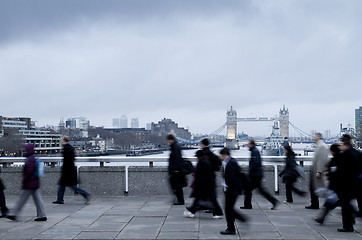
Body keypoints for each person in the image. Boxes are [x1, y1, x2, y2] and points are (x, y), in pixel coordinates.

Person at [7, 144, 47, 221]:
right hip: (34, 182)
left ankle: (13, 214)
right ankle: (42, 215)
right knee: (38, 200)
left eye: (25, 150)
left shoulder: (30, 159)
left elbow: (29, 171)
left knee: (22, 199)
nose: (24, 151)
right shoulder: (32, 158)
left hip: (29, 183)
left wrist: (24, 179)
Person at [241, 139, 279, 210]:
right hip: (256, 174)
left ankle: (248, 205)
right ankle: (248, 204)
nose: (247, 146)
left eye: (248, 144)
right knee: (256, 190)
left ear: (252, 144)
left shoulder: (254, 152)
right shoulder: (254, 151)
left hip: (255, 175)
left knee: (249, 189)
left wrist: (250, 170)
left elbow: (255, 163)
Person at [53, 136, 90, 204]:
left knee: (71, 186)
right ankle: (60, 199)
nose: (60, 141)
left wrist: (65, 169)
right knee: (62, 185)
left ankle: (85, 193)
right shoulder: (69, 147)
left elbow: (68, 160)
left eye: (61, 140)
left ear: (64, 140)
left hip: (67, 171)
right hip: (69, 170)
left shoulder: (66, 148)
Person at [219, 148, 247, 235]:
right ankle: (240, 219)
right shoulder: (231, 161)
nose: (220, 157)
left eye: (221, 156)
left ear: (224, 155)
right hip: (232, 189)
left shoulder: (231, 163)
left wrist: (229, 189)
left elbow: (232, 178)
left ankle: (231, 229)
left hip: (232, 190)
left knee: (228, 209)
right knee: (229, 208)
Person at [335, 134, 360, 232]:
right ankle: (351, 221)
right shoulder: (356, 153)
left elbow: (344, 171)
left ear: (345, 144)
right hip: (354, 184)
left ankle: (348, 225)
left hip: (347, 185)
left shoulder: (346, 155)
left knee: (345, 205)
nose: (339, 146)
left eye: (340, 144)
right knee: (347, 204)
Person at [184, 150, 218, 218]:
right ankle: (192, 210)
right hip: (207, 184)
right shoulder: (206, 161)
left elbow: (202, 174)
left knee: (208, 199)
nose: (196, 158)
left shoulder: (203, 162)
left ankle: (192, 211)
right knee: (207, 199)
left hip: (205, 184)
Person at [314, 144, 341, 224]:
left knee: (330, 203)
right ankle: (321, 218)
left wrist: (328, 172)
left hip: (336, 186)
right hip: (337, 187)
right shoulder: (340, 158)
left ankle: (321, 218)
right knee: (331, 203)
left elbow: (334, 171)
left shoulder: (336, 159)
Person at [305, 133, 330, 209]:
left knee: (318, 188)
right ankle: (314, 203)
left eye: (315, 136)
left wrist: (319, 171)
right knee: (313, 188)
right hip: (315, 170)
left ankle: (327, 203)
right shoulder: (319, 146)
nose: (313, 137)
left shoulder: (322, 146)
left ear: (319, 137)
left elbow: (322, 159)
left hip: (318, 171)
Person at [200, 138, 223, 217]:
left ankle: (216, 210)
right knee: (209, 194)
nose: (200, 145)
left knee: (211, 194)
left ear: (203, 144)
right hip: (211, 175)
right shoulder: (210, 152)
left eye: (201, 144)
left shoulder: (205, 153)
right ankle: (211, 207)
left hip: (207, 176)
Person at [167, 134, 187, 205]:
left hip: (176, 170)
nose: (168, 142)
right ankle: (178, 197)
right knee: (174, 183)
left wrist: (177, 169)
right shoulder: (175, 146)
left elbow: (177, 158)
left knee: (177, 185)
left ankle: (180, 200)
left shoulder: (175, 147)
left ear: (170, 140)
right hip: (175, 169)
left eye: (168, 140)